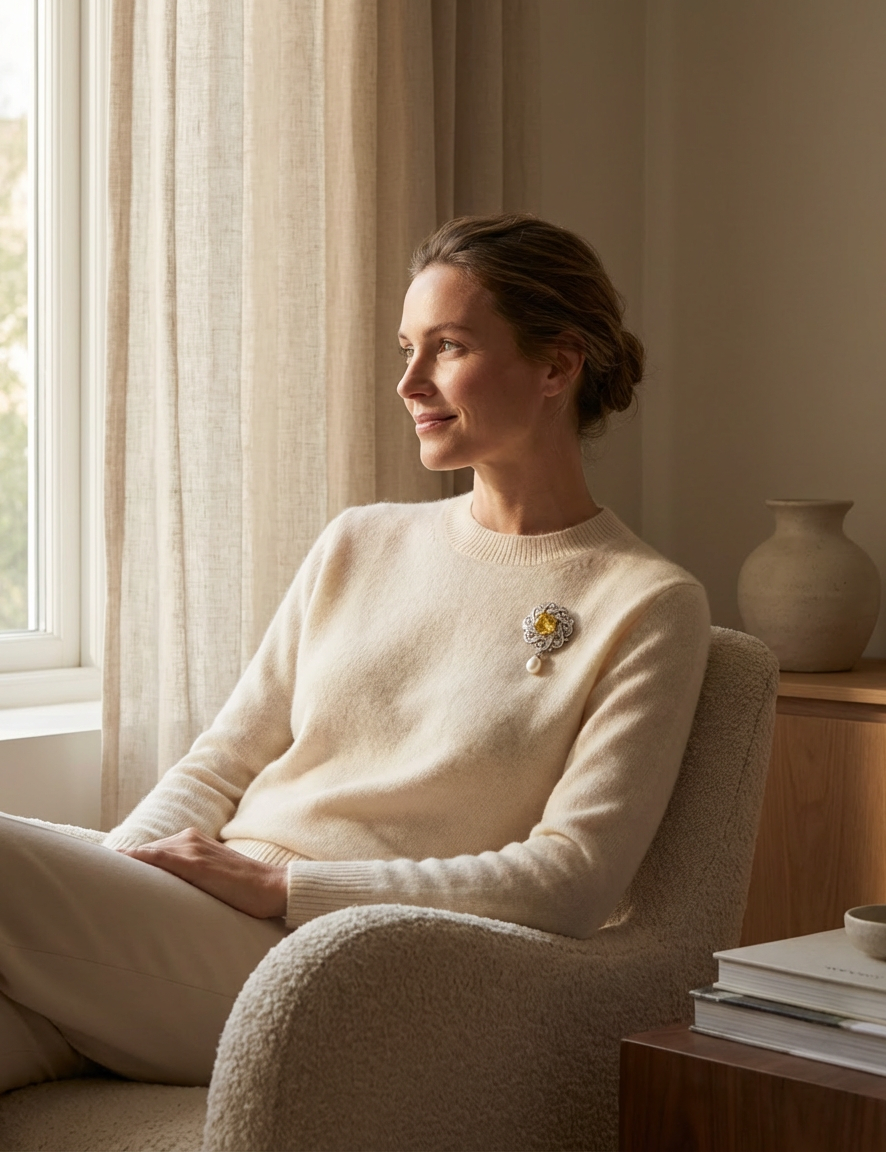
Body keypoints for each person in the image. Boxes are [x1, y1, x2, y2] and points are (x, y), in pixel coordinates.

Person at [0, 213, 710, 1093]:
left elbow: (569, 882)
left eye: (446, 347)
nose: (410, 381)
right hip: (195, 924)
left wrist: (288, 892)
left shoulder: (646, 602)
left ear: (557, 367)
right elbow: (220, 764)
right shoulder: (358, 541)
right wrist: (123, 874)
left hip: (338, 966)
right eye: (406, 348)